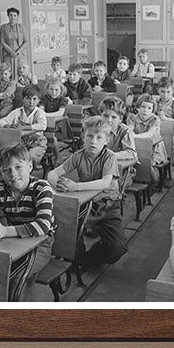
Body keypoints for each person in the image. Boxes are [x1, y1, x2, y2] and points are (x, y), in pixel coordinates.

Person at [0, 143, 55, 301]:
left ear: (30, 166)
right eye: (6, 170)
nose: (13, 174)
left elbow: (43, 226)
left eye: (18, 167)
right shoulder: (0, 192)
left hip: (41, 245)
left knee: (15, 275)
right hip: (14, 242)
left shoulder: (42, 188)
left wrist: (5, 231)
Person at [47, 115, 124, 270]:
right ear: (83, 136)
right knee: (68, 237)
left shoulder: (109, 156)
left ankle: (93, 256)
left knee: (117, 248)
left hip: (107, 206)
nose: (93, 141)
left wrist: (75, 187)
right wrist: (59, 184)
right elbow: (52, 174)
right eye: (89, 136)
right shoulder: (79, 156)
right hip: (85, 205)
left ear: (107, 140)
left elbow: (105, 182)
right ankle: (79, 260)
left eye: (98, 137)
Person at [128, 93, 168, 167]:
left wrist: (134, 136)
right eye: (143, 107)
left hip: (154, 148)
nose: (145, 110)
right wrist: (130, 133)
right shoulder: (133, 118)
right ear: (137, 108)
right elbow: (130, 128)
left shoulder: (155, 119)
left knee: (148, 165)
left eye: (149, 108)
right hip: (138, 146)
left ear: (152, 110)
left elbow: (150, 133)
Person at [0, 7, 26, 72]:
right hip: (8, 54)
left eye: (15, 15)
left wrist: (19, 51)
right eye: (10, 15)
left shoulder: (21, 27)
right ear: (8, 16)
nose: (12, 17)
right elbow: (2, 42)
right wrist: (11, 51)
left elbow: (26, 41)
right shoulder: (3, 27)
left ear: (17, 16)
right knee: (8, 72)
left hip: (19, 54)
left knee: (20, 71)